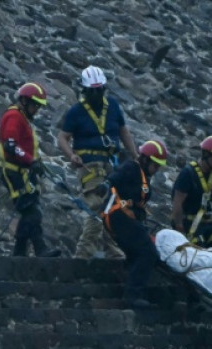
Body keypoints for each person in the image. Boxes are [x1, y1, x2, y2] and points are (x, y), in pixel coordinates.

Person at [57, 66, 137, 259]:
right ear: (84, 91)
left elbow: (123, 131)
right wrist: (71, 156)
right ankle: (83, 255)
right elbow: (62, 137)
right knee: (96, 209)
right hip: (90, 166)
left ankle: (114, 252)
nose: (95, 94)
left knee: (113, 208)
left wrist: (135, 156)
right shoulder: (76, 111)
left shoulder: (113, 106)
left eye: (98, 90)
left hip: (111, 164)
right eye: (92, 91)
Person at [96, 140, 168, 308]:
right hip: (119, 218)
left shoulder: (143, 175)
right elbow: (115, 177)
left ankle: (132, 290)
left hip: (127, 219)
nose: (156, 170)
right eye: (155, 165)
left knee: (138, 254)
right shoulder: (131, 168)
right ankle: (134, 294)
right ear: (145, 160)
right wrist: (105, 185)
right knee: (147, 252)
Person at [0, 81, 61, 258]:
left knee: (30, 210)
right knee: (31, 210)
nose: (37, 110)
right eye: (35, 106)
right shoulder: (14, 117)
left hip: (23, 172)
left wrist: (35, 163)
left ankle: (19, 254)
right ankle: (40, 249)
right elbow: (11, 145)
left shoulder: (21, 118)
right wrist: (30, 160)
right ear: (25, 102)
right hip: (14, 172)